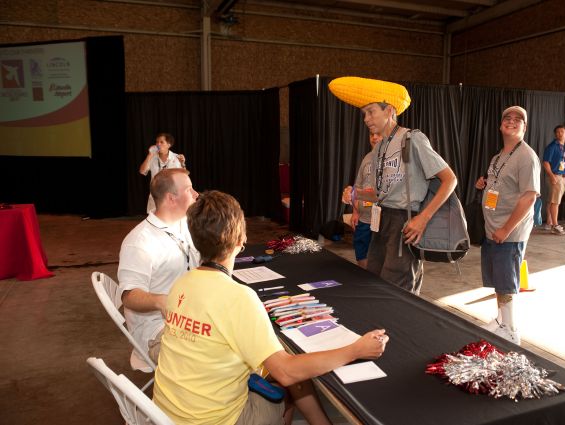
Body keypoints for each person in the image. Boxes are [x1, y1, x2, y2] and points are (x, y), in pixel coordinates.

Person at [153, 190, 389, 425]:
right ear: (241, 238)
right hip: (216, 420)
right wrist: (356, 350)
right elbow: (286, 372)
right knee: (292, 383)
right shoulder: (238, 297)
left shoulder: (180, 284)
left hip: (167, 413)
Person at [329, 77, 457, 295]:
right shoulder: (379, 149)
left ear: (389, 110)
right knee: (376, 280)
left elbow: (450, 179)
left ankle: (401, 328)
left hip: (405, 221)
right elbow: (379, 194)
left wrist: (422, 219)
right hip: (381, 223)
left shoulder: (412, 139)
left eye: (371, 112)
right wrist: (356, 193)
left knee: (398, 290)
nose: (366, 119)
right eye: (364, 114)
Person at [118, 168, 200, 363]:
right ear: (171, 199)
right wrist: (161, 301)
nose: (196, 194)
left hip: (191, 316)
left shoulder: (185, 224)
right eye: (189, 189)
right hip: (157, 330)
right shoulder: (139, 241)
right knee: (217, 355)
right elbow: (128, 296)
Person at [475, 106, 540, 345]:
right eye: (507, 118)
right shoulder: (499, 156)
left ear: (524, 127)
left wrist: (506, 229)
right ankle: (501, 320)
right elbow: (500, 184)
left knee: (506, 280)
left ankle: (511, 329)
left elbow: (529, 196)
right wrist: (483, 183)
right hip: (493, 227)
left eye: (518, 120)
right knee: (497, 278)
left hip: (508, 231)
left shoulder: (526, 156)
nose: (512, 122)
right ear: (501, 125)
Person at [341, 132, 383, 268]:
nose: (374, 138)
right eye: (371, 135)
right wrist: (355, 211)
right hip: (364, 218)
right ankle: (365, 279)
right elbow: (357, 186)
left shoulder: (392, 158)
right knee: (361, 253)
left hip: (383, 220)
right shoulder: (367, 158)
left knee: (380, 255)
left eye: (379, 134)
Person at [139, 132, 187, 213]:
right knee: (154, 220)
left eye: (161, 142)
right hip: (156, 194)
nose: (158, 144)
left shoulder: (176, 157)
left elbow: (183, 176)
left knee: (171, 220)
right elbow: (142, 171)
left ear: (169, 144)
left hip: (172, 194)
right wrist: (150, 155)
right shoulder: (152, 157)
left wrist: (182, 163)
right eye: (157, 142)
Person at [542, 124, 565, 235]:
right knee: (555, 202)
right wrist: (551, 175)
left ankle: (549, 223)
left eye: (562, 131)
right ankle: (555, 225)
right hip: (555, 176)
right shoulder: (552, 146)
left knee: (552, 200)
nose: (560, 133)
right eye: (557, 132)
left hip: (563, 177)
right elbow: (545, 162)